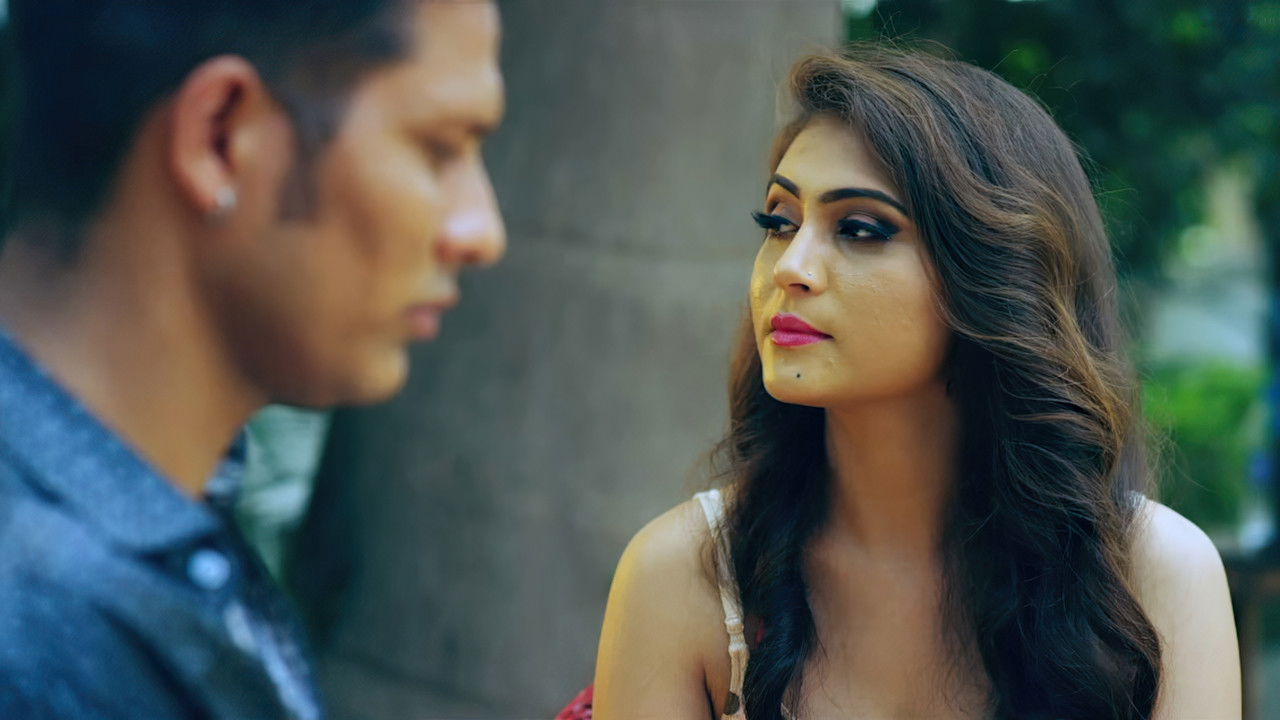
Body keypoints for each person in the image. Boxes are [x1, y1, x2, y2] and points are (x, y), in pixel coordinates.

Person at [590, 47, 1240, 720]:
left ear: (991, 277)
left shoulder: (1155, 577)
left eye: (860, 229)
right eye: (780, 223)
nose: (791, 267)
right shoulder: (686, 578)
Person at [0, 0, 505, 717]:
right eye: (439, 148)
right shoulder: (40, 634)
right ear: (219, 136)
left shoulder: (162, 529)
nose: (481, 232)